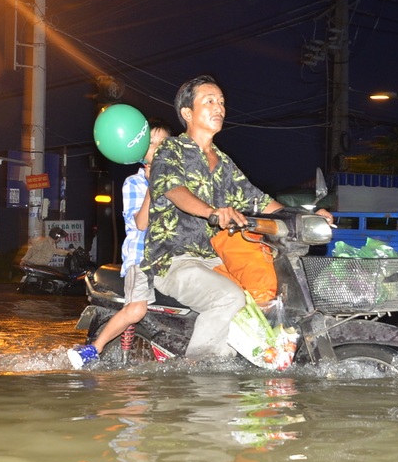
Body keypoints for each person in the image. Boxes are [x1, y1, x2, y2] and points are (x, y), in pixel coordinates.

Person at [141, 74, 331, 359]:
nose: (219, 107)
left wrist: (309, 215)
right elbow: (174, 190)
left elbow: (262, 201)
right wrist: (211, 211)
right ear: (187, 113)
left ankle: (238, 363)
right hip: (174, 260)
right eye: (209, 101)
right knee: (229, 297)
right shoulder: (171, 150)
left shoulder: (224, 162)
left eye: (221, 102)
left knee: (264, 299)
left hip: (217, 259)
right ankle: (198, 374)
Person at [68, 119, 172, 369]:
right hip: (142, 259)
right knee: (136, 311)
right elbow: (141, 223)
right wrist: (153, 186)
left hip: (171, 259)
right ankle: (94, 349)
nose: (157, 149)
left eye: (163, 144)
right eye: (151, 144)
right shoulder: (134, 183)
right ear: (140, 152)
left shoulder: (178, 183)